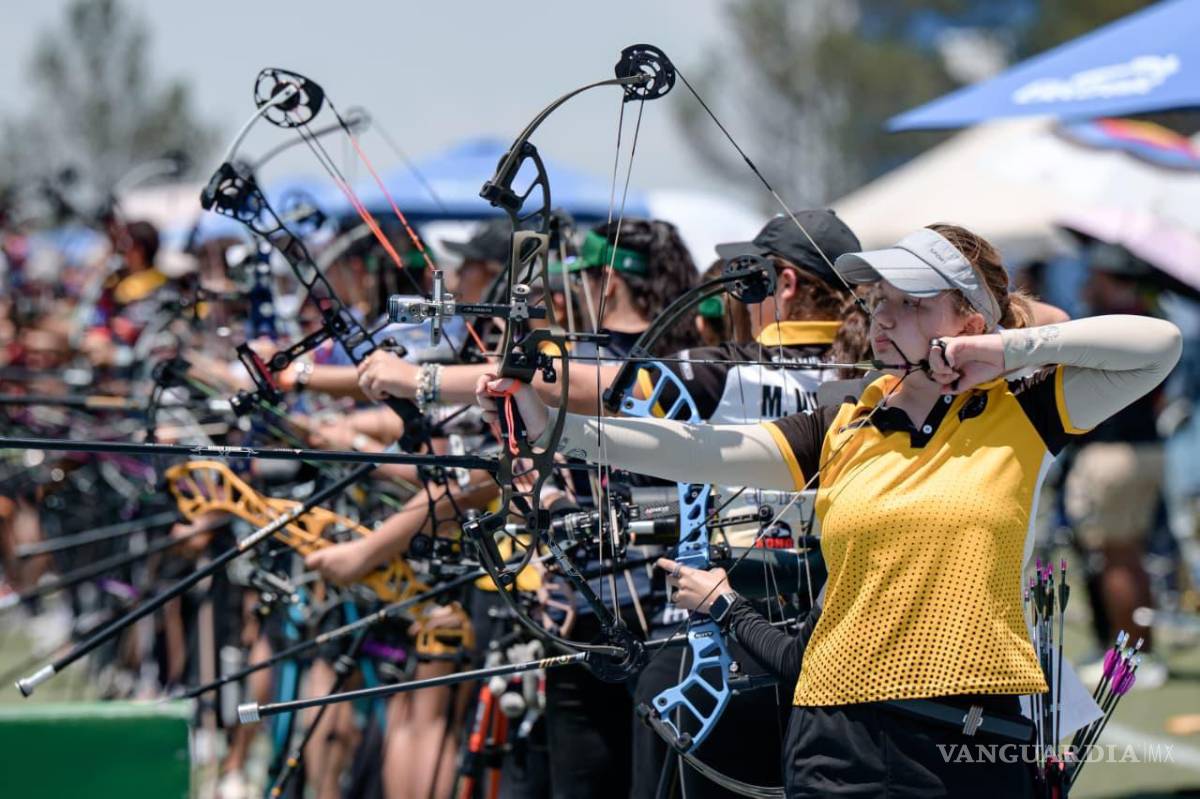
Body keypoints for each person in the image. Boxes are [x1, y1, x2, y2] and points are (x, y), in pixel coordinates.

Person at [473, 224, 1182, 797]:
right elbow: (699, 450)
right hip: (838, 743)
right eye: (878, 299)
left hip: (976, 740)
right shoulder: (843, 422)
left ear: (965, 320)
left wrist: (1005, 349)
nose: (883, 314)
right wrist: (549, 424)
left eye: (911, 301)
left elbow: (1158, 347)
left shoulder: (1021, 414)